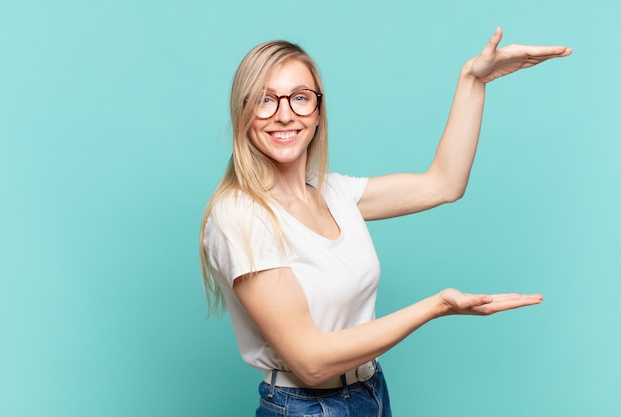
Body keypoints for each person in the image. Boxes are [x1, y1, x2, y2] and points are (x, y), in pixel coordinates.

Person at [200, 27, 571, 417]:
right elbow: (310, 362)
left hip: (371, 392)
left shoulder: (333, 192)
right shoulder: (239, 215)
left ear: (318, 112)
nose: (285, 114)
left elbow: (443, 184)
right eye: (265, 100)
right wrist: (436, 307)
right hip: (304, 408)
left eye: (300, 98)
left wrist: (473, 79)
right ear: (243, 112)